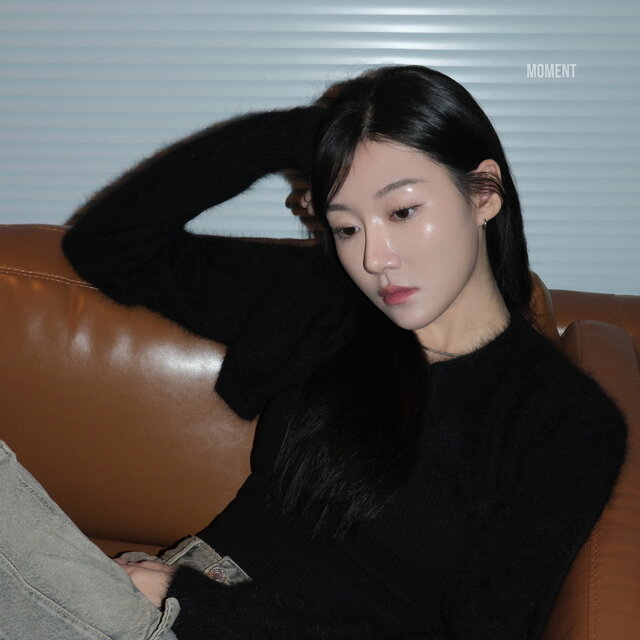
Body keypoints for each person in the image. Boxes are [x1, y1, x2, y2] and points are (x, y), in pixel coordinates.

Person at [0, 65, 628, 639]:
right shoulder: (326, 306)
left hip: (187, 616)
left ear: (484, 192)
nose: (374, 258)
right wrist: (301, 135)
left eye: (402, 211)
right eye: (347, 226)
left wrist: (186, 599)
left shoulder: (564, 421)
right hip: (153, 601)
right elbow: (108, 248)